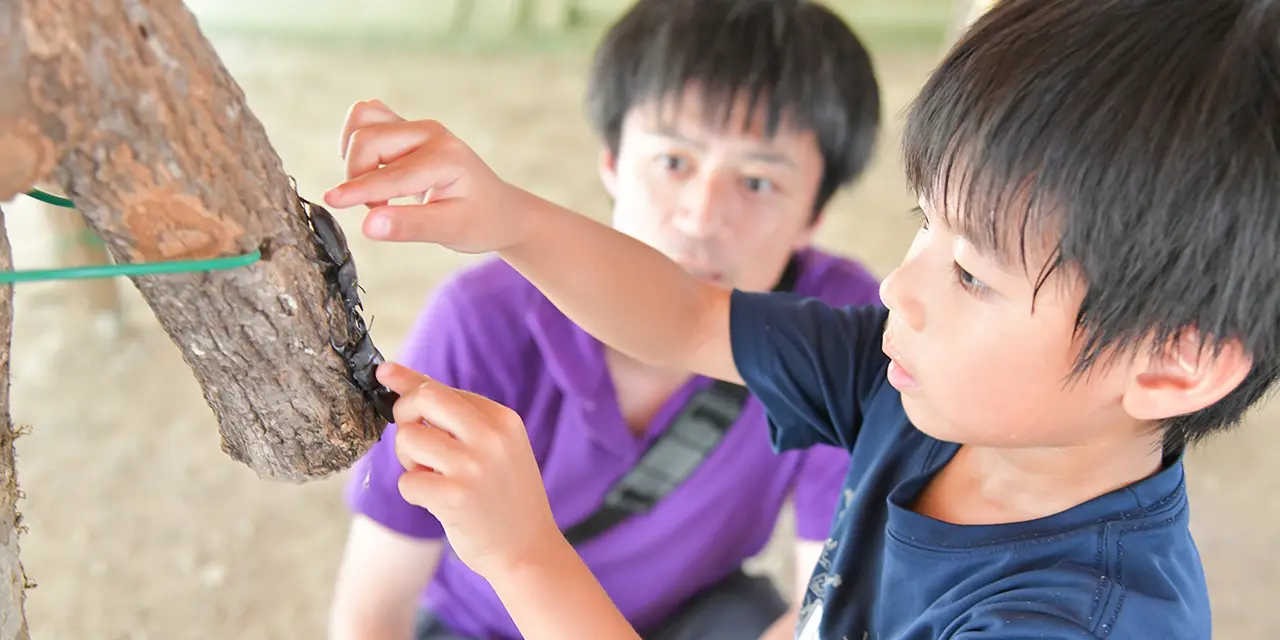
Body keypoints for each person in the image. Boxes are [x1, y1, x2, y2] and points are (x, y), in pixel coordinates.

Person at [326, 0, 1280, 637]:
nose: (897, 289)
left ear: (1172, 363)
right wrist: (511, 219)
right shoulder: (919, 387)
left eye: (971, 273)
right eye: (924, 224)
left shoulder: (1066, 621)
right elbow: (688, 316)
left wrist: (521, 553)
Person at [326, 1, 884, 639]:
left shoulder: (841, 338)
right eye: (674, 162)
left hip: (694, 616)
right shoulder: (481, 323)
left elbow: (832, 613)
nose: (702, 218)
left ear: (815, 212)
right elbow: (373, 609)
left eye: (757, 183)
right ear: (612, 161)